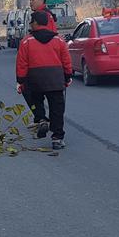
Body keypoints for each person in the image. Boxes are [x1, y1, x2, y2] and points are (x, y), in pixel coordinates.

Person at [16, 10, 73, 150]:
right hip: (55, 79)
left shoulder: (26, 41)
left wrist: (21, 80)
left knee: (36, 101)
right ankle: (57, 138)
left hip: (34, 80)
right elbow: (66, 60)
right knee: (57, 108)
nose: (30, 24)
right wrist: (67, 76)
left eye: (31, 21)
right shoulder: (58, 40)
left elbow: (22, 63)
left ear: (35, 23)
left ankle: (41, 119)